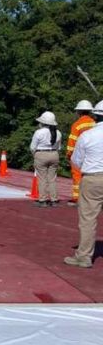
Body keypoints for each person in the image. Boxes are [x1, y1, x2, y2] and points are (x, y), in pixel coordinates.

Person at [64, 100, 103, 268]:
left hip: (93, 178)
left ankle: (84, 257)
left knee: (88, 219)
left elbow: (76, 161)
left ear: (96, 115)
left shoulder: (87, 135)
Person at [66, 100, 96, 206]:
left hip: (79, 154)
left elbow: (72, 142)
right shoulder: (94, 123)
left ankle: (77, 198)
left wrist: (69, 155)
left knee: (77, 176)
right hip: (92, 155)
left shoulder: (77, 125)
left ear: (78, 112)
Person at [30, 111, 62, 207]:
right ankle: (54, 200)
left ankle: (42, 200)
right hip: (54, 154)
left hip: (41, 154)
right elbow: (59, 147)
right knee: (52, 178)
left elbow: (32, 147)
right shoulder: (58, 132)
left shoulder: (39, 132)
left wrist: (35, 155)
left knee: (42, 178)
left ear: (43, 122)